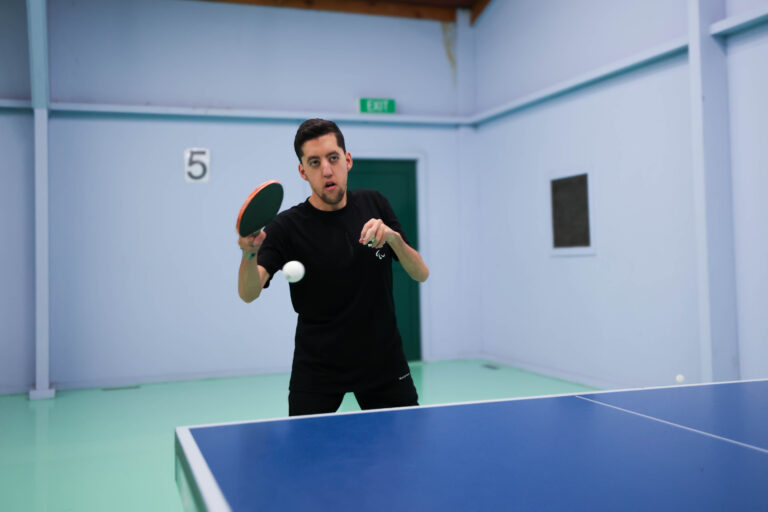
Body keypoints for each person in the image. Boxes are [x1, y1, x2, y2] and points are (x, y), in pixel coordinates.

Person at [237, 119, 430, 416]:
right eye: (314, 162)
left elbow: (421, 273)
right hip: (317, 369)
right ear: (303, 171)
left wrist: (392, 239)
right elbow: (249, 293)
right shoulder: (287, 226)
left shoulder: (375, 204)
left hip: (383, 362)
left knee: (405, 451)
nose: (326, 170)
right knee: (308, 456)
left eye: (333, 158)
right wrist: (250, 255)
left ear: (347, 160)